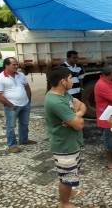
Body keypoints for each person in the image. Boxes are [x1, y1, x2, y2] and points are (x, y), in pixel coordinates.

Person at [44, 66, 87, 208]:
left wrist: (76, 114)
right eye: (70, 78)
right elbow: (79, 125)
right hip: (64, 146)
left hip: (72, 143)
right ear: (63, 81)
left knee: (71, 173)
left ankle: (70, 192)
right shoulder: (56, 101)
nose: (73, 81)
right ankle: (64, 203)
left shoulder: (64, 94)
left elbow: (83, 107)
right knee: (66, 178)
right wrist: (77, 115)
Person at [0, 57, 36, 153]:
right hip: (11, 107)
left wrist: (28, 101)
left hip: (25, 104)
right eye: (14, 65)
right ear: (6, 65)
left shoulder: (20, 75)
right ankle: (12, 145)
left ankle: (24, 140)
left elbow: (27, 88)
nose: (16, 66)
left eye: (17, 64)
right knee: (11, 126)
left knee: (24, 123)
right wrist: (11, 105)